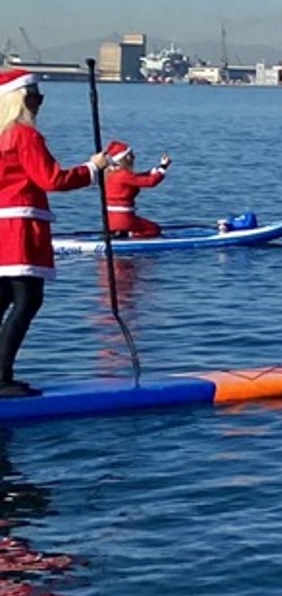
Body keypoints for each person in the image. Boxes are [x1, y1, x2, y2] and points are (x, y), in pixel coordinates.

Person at [0, 69, 117, 397]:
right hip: (19, 227)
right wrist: (93, 168)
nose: (38, 103)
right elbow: (51, 179)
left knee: (6, 298)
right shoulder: (23, 135)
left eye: (40, 96)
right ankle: (1, 378)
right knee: (27, 300)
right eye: (33, 97)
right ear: (17, 100)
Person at [101, 141, 171, 238]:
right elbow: (150, 182)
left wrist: (158, 168)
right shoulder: (123, 175)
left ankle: (120, 233)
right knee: (154, 229)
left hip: (110, 220)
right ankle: (129, 234)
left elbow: (137, 178)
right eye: (131, 155)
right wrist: (163, 168)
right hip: (124, 219)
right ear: (125, 158)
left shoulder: (109, 174)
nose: (134, 158)